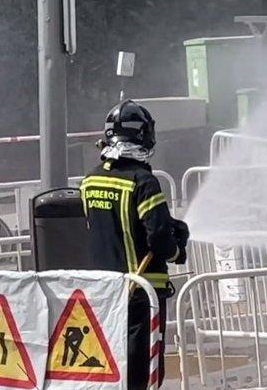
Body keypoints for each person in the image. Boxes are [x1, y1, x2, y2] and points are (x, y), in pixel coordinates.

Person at [80, 99, 189, 389]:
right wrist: (178, 249)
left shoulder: (90, 180)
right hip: (143, 293)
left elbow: (107, 226)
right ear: (143, 136)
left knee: (113, 365)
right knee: (144, 370)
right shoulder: (143, 181)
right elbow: (158, 239)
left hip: (106, 291)